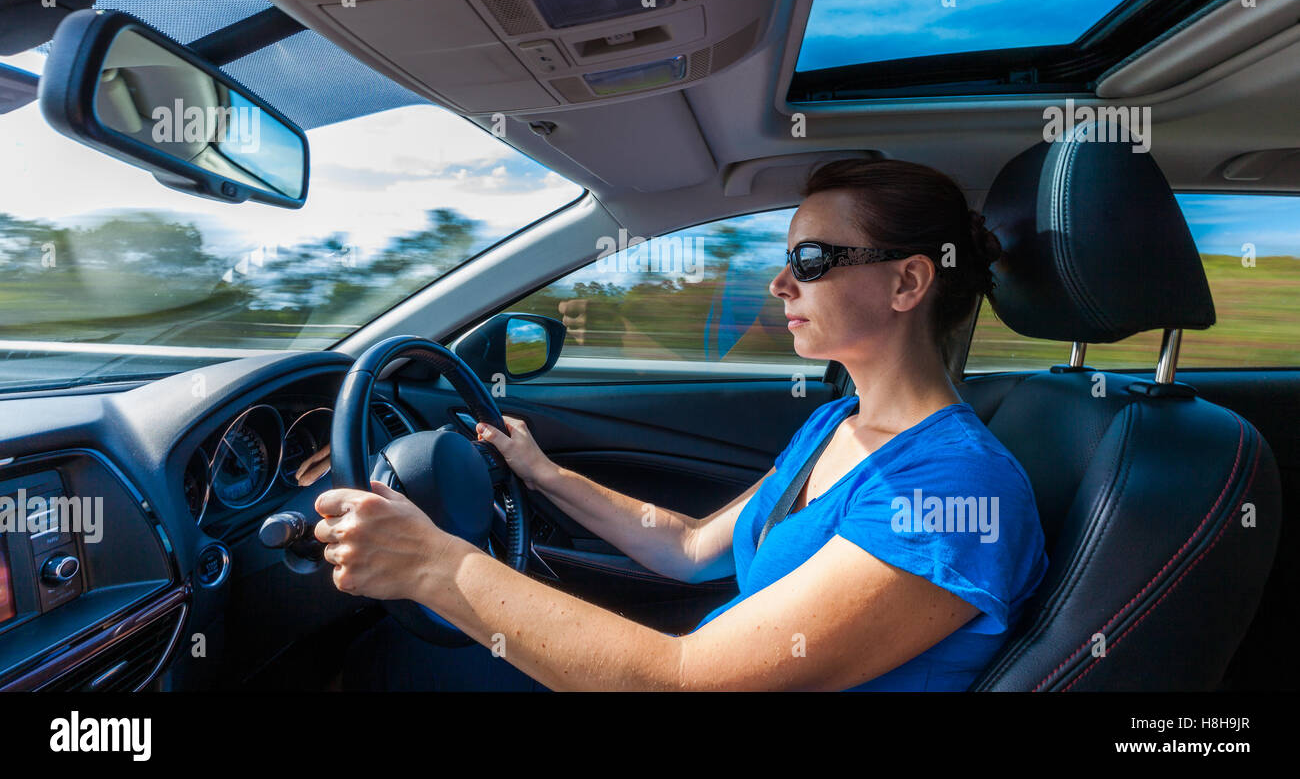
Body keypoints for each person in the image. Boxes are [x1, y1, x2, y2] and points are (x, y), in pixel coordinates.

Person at [322, 157, 1049, 691]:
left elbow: (685, 681)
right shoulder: (840, 422)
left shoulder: (955, 489)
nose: (780, 281)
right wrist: (541, 472)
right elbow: (691, 547)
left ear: (907, 282)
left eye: (812, 259)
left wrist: (433, 565)